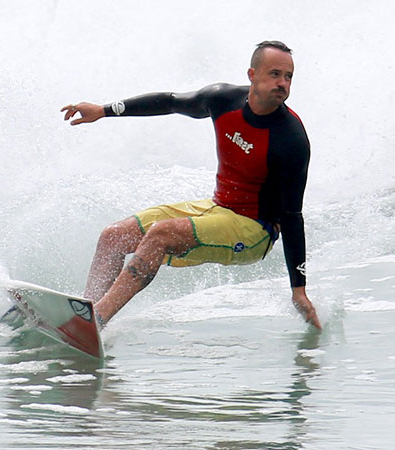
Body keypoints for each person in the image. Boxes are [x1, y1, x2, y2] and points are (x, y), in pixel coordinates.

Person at [61, 40, 321, 330]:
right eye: (275, 74)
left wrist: (298, 288)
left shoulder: (291, 139)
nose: (283, 83)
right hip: (218, 208)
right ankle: (83, 317)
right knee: (113, 237)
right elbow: (170, 102)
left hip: (254, 230)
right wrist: (103, 110)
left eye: (288, 77)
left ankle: (95, 321)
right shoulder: (222, 100)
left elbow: (292, 216)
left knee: (161, 234)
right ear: (252, 75)